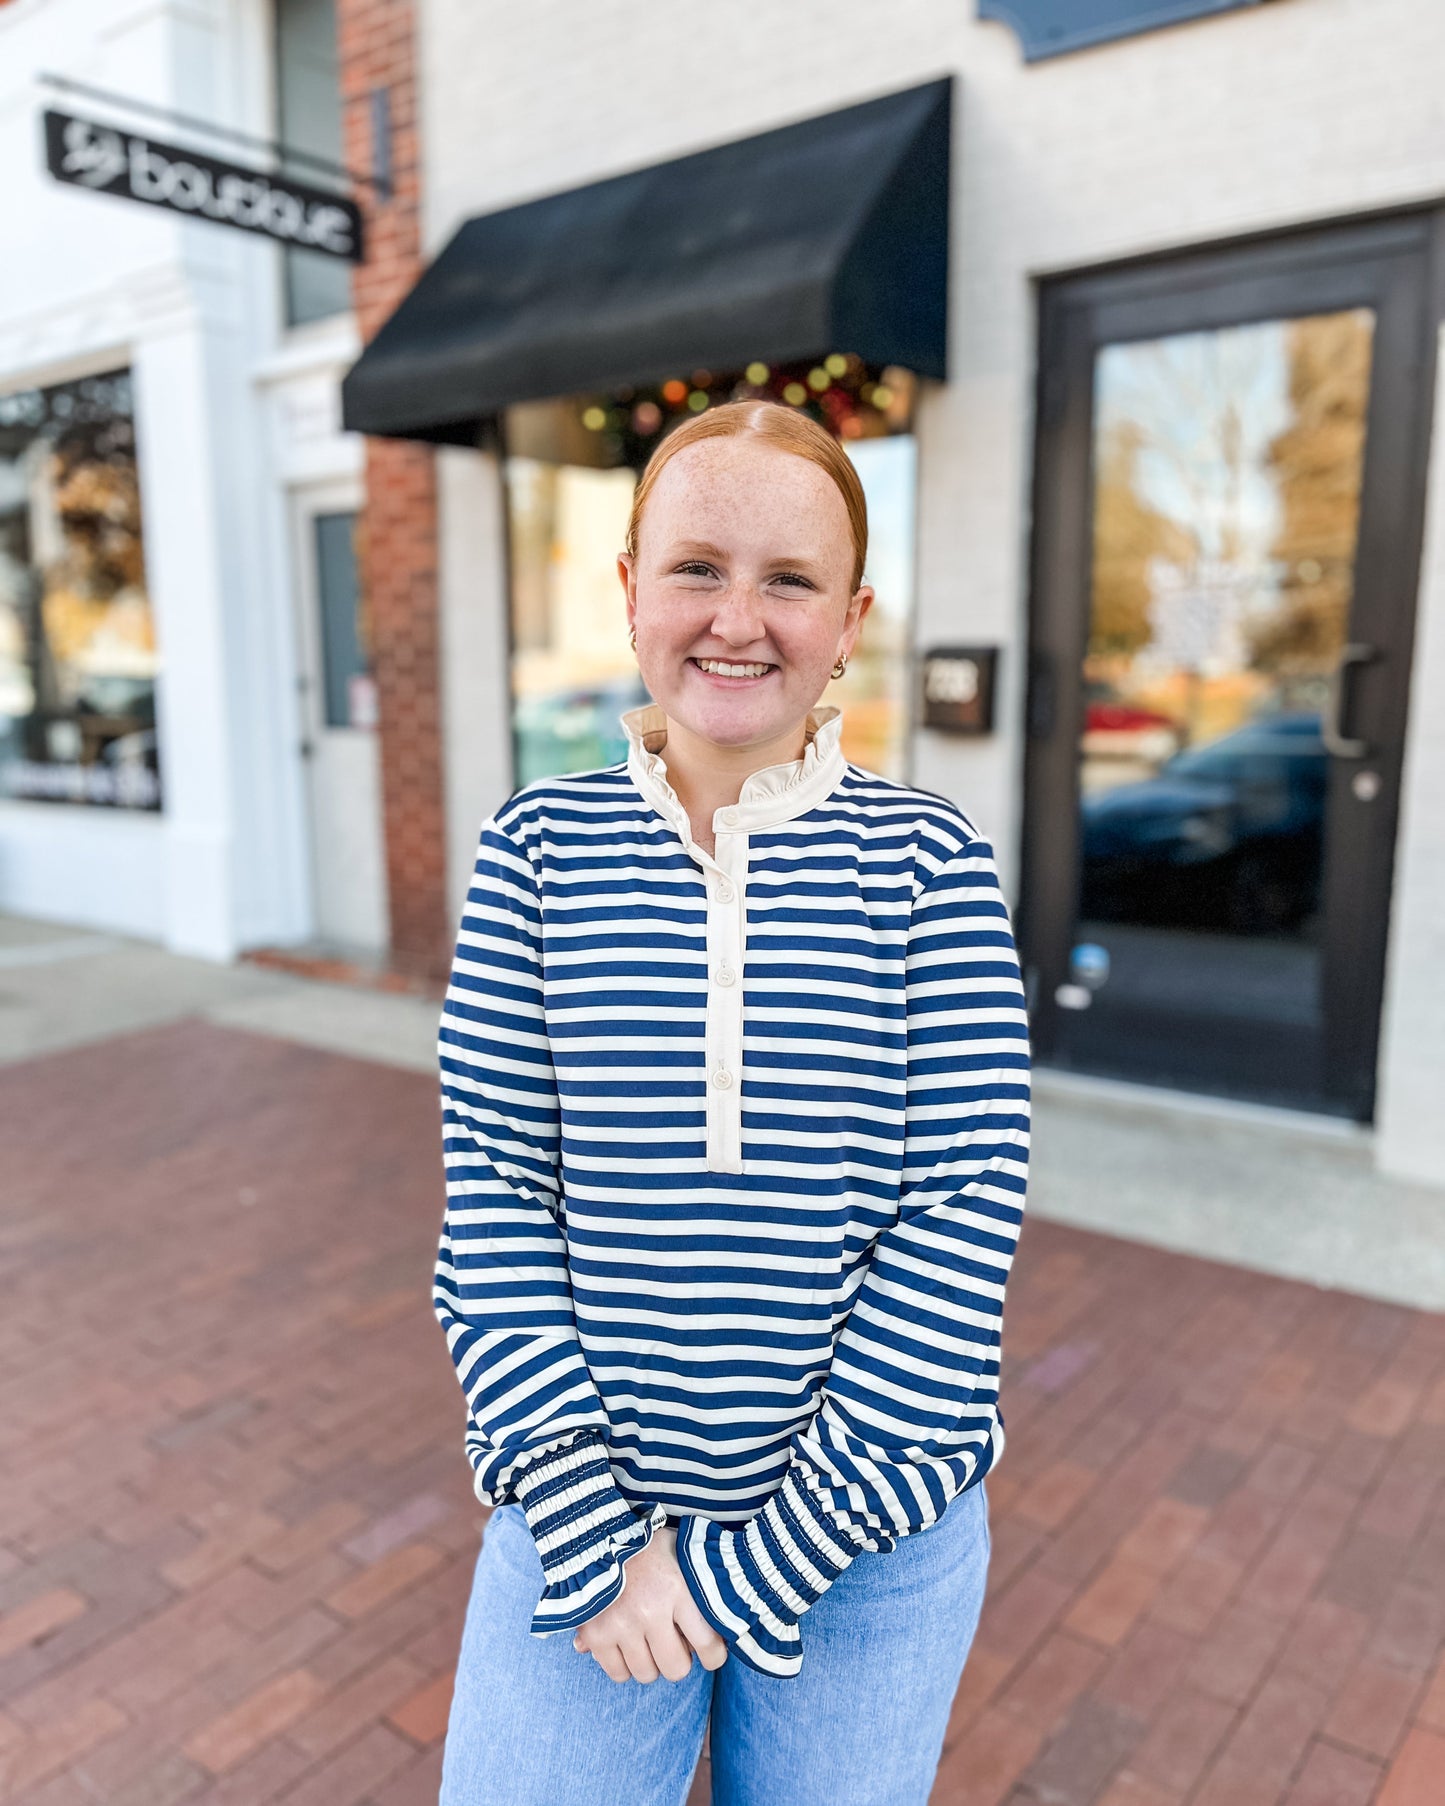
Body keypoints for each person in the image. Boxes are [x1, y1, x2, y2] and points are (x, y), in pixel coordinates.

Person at [434, 398, 1031, 1806]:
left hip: (865, 1551)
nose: (735, 619)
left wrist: (741, 1568)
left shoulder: (928, 865)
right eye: (696, 567)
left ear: (851, 615)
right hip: (584, 1530)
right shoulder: (537, 855)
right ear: (630, 589)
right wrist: (595, 1536)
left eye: (789, 580)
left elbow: (958, 1219)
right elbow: (498, 1202)